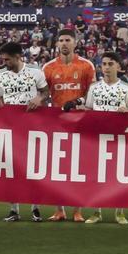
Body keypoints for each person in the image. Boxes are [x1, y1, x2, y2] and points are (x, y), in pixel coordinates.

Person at [42, 28, 96, 222]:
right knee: (57, 167)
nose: (64, 43)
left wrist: (78, 103)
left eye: (68, 40)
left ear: (75, 43)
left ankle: (77, 210)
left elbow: (94, 92)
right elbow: (43, 93)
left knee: (78, 168)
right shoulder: (48, 67)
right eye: (61, 40)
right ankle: (59, 210)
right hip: (56, 124)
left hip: (81, 123)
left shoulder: (86, 66)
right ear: (57, 44)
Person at [0, 41, 47, 222]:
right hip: (10, 127)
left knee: (33, 168)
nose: (4, 62)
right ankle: (14, 210)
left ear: (18, 57)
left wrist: (39, 98)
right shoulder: (1, 75)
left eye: (7, 59)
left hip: (32, 126)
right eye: (3, 59)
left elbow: (45, 92)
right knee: (11, 169)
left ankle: (35, 208)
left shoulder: (35, 72)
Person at [79, 52, 128, 224]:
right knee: (97, 177)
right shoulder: (94, 88)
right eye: (104, 64)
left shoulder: (127, 88)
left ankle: (120, 212)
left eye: (111, 64)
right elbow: (88, 110)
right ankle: (97, 211)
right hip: (98, 138)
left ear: (118, 67)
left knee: (119, 176)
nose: (107, 67)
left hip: (118, 139)